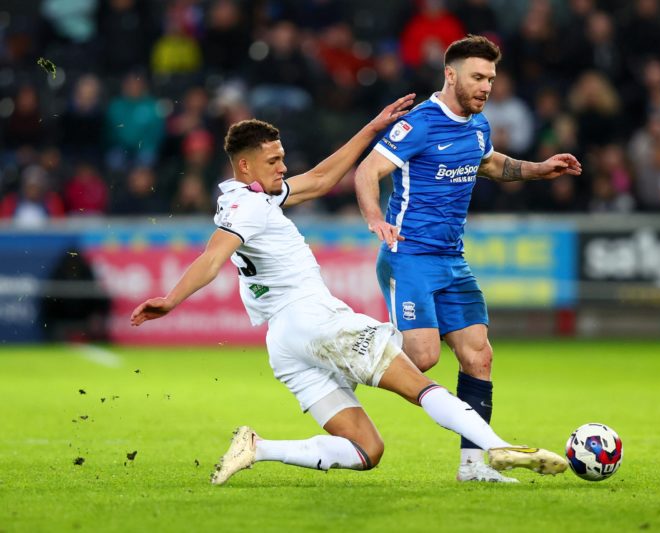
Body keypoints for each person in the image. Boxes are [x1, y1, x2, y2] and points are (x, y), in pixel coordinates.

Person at [129, 95, 567, 485]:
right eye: (274, 161)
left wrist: (373, 127)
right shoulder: (247, 209)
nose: (283, 167)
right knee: (419, 382)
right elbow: (212, 258)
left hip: (284, 344)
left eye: (282, 158)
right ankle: (497, 446)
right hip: (315, 322)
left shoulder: (252, 197)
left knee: (366, 451)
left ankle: (258, 448)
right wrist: (171, 300)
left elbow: (320, 179)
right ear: (245, 166)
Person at [354, 35, 581, 482]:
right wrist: (375, 218)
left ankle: (474, 467)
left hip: (452, 260)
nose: (486, 87)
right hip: (410, 255)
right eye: (478, 77)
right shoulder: (419, 123)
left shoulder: (478, 125)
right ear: (451, 75)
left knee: (479, 357)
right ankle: (347, 352)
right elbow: (367, 171)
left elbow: (490, 163)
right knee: (421, 357)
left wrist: (537, 169)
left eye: (492, 79)